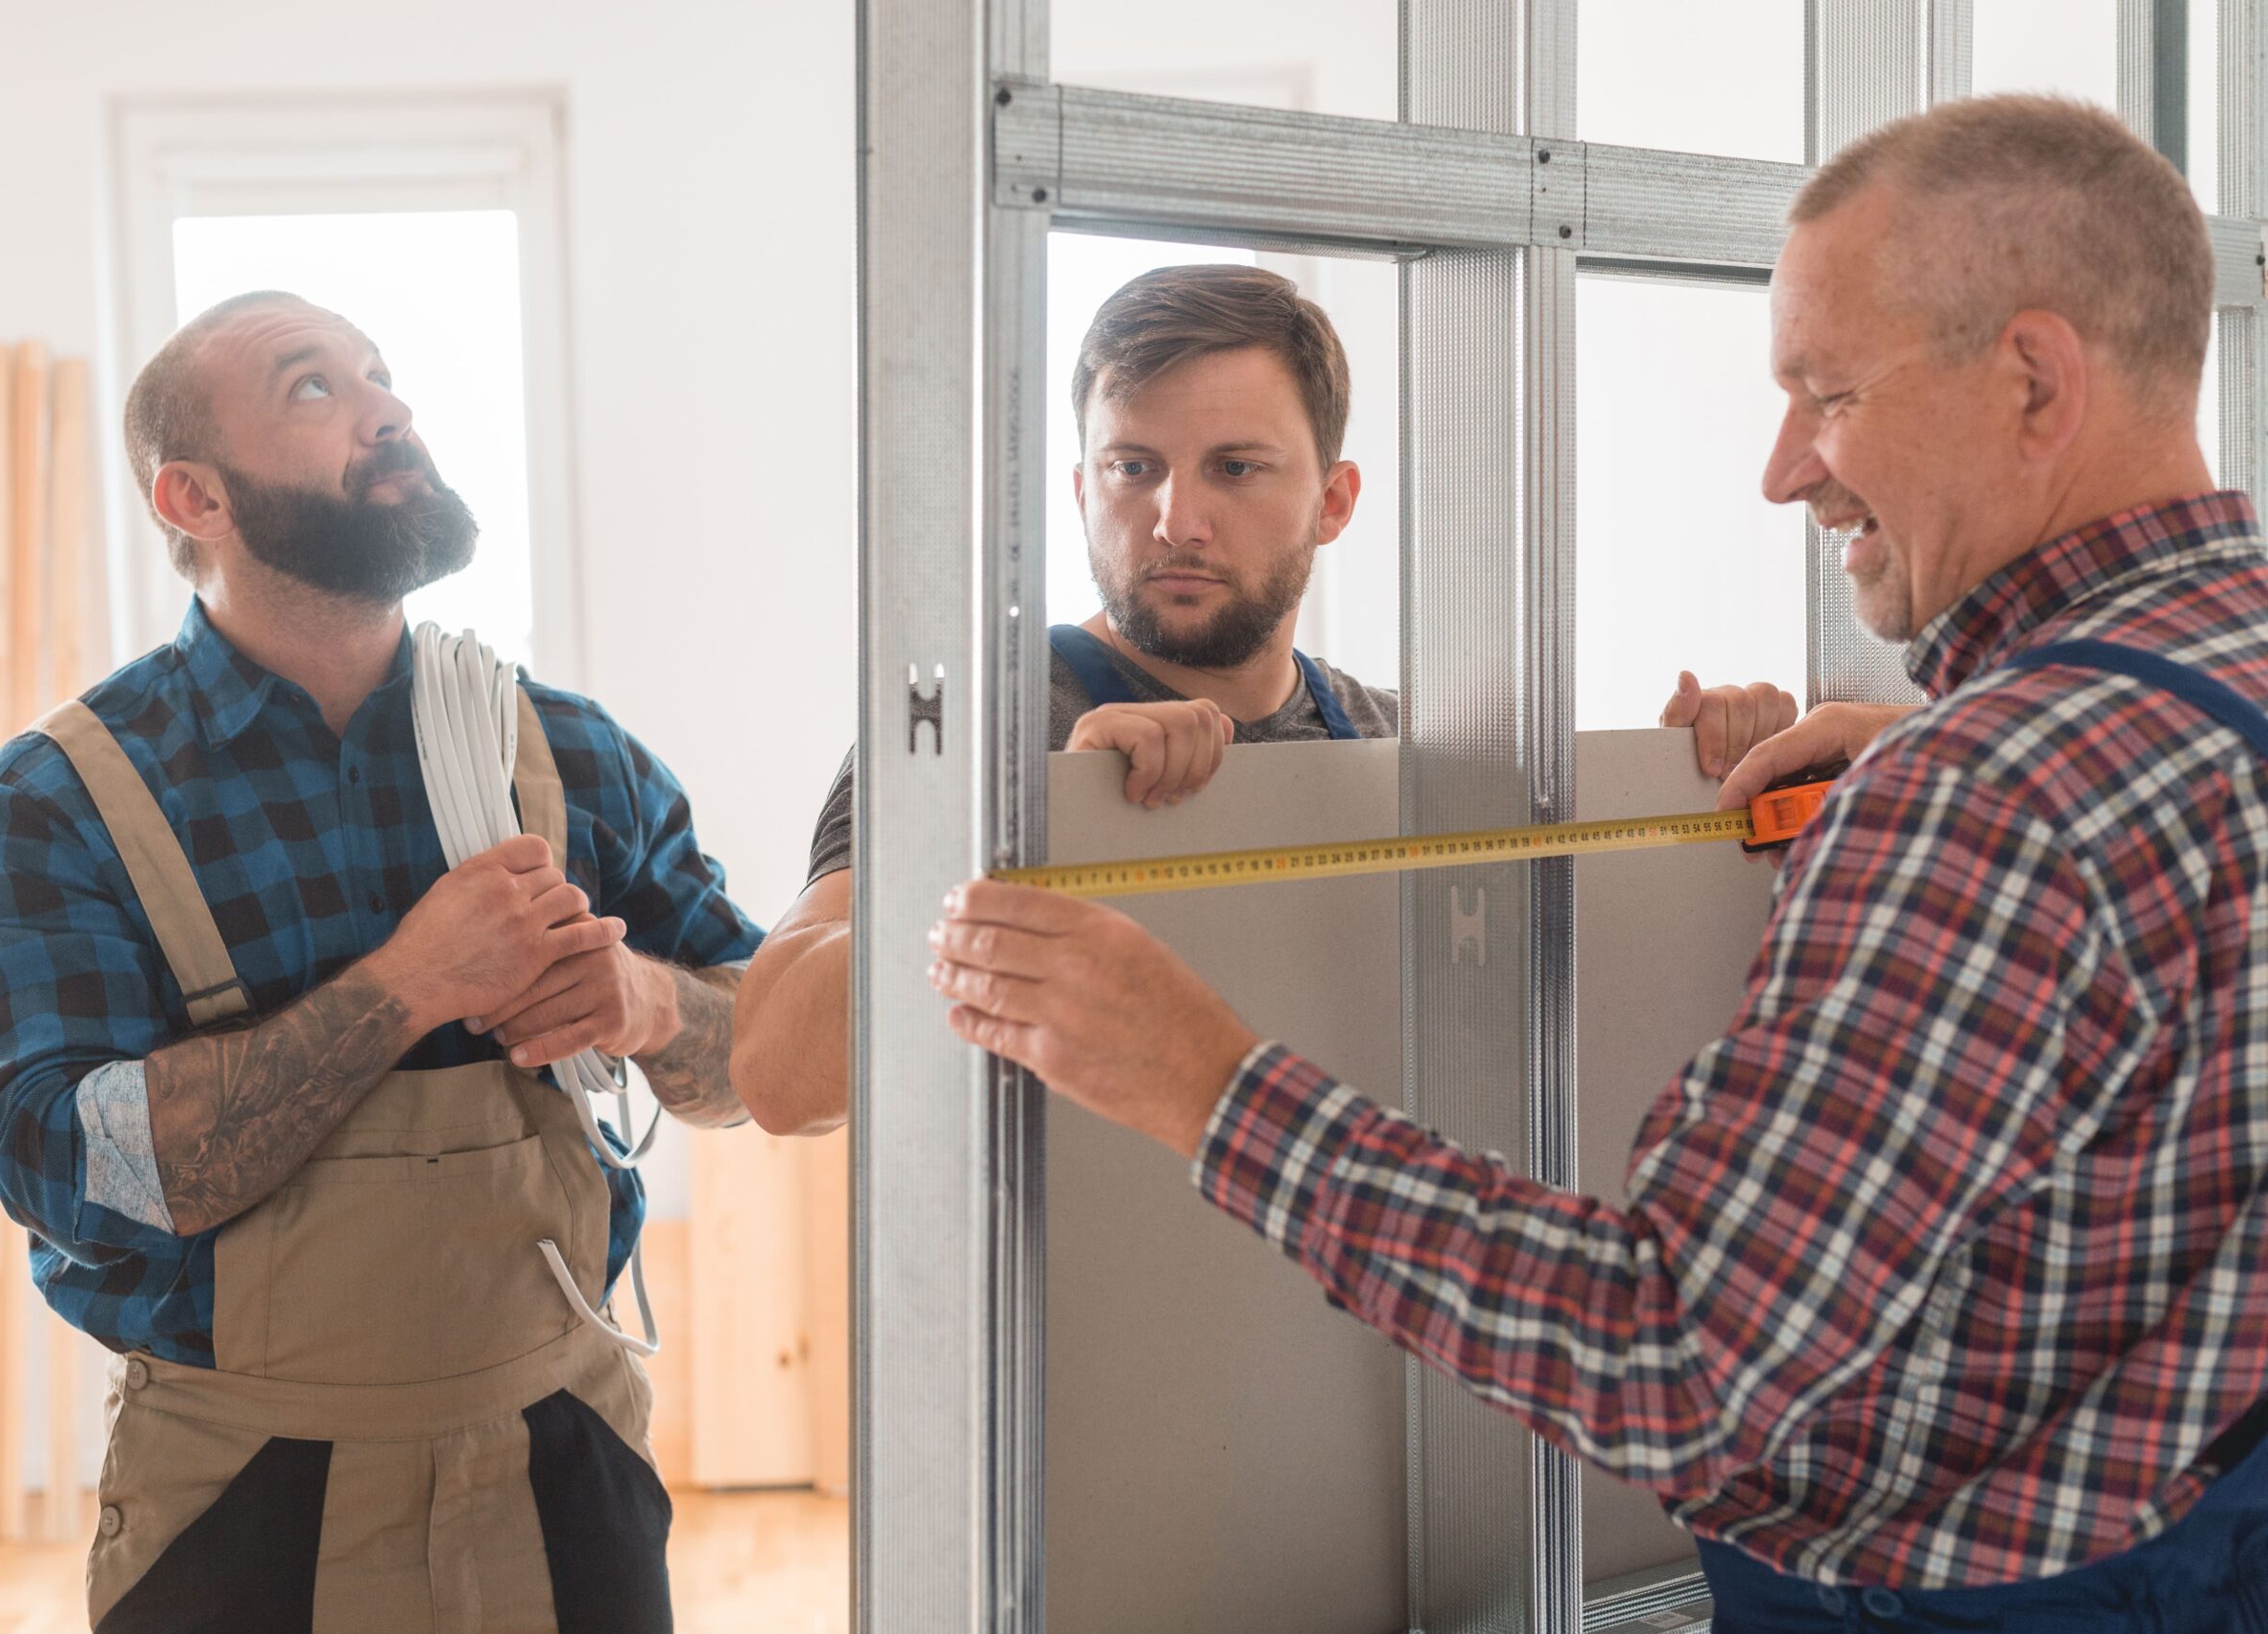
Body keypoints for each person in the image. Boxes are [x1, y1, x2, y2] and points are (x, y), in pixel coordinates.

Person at [931, 95, 2268, 1628]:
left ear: (2035, 379)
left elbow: (1679, 1359)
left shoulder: (1996, 793)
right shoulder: (2160, 708)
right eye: (1130, 466)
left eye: (1826, 393)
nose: (1784, 471)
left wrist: (1202, 1079)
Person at [0, 291, 759, 1632]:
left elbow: (765, 1062)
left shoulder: (569, 754)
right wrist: (411, 982)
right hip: (241, 1492)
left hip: (567, 1458)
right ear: (193, 495)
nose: (388, 409)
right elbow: (67, 1167)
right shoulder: (54, 806)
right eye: (314, 388)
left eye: (381, 375)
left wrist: (648, 999)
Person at [732, 264, 1792, 1133]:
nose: (1174, 518)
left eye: (1234, 469)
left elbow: (1573, 1030)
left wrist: (1696, 816)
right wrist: (1052, 830)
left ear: (1332, 502)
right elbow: (775, 1070)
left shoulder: (1402, 748)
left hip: (1363, 1355)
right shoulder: (966, 734)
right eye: (1133, 467)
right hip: (1086, 1373)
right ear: (1079, 488)